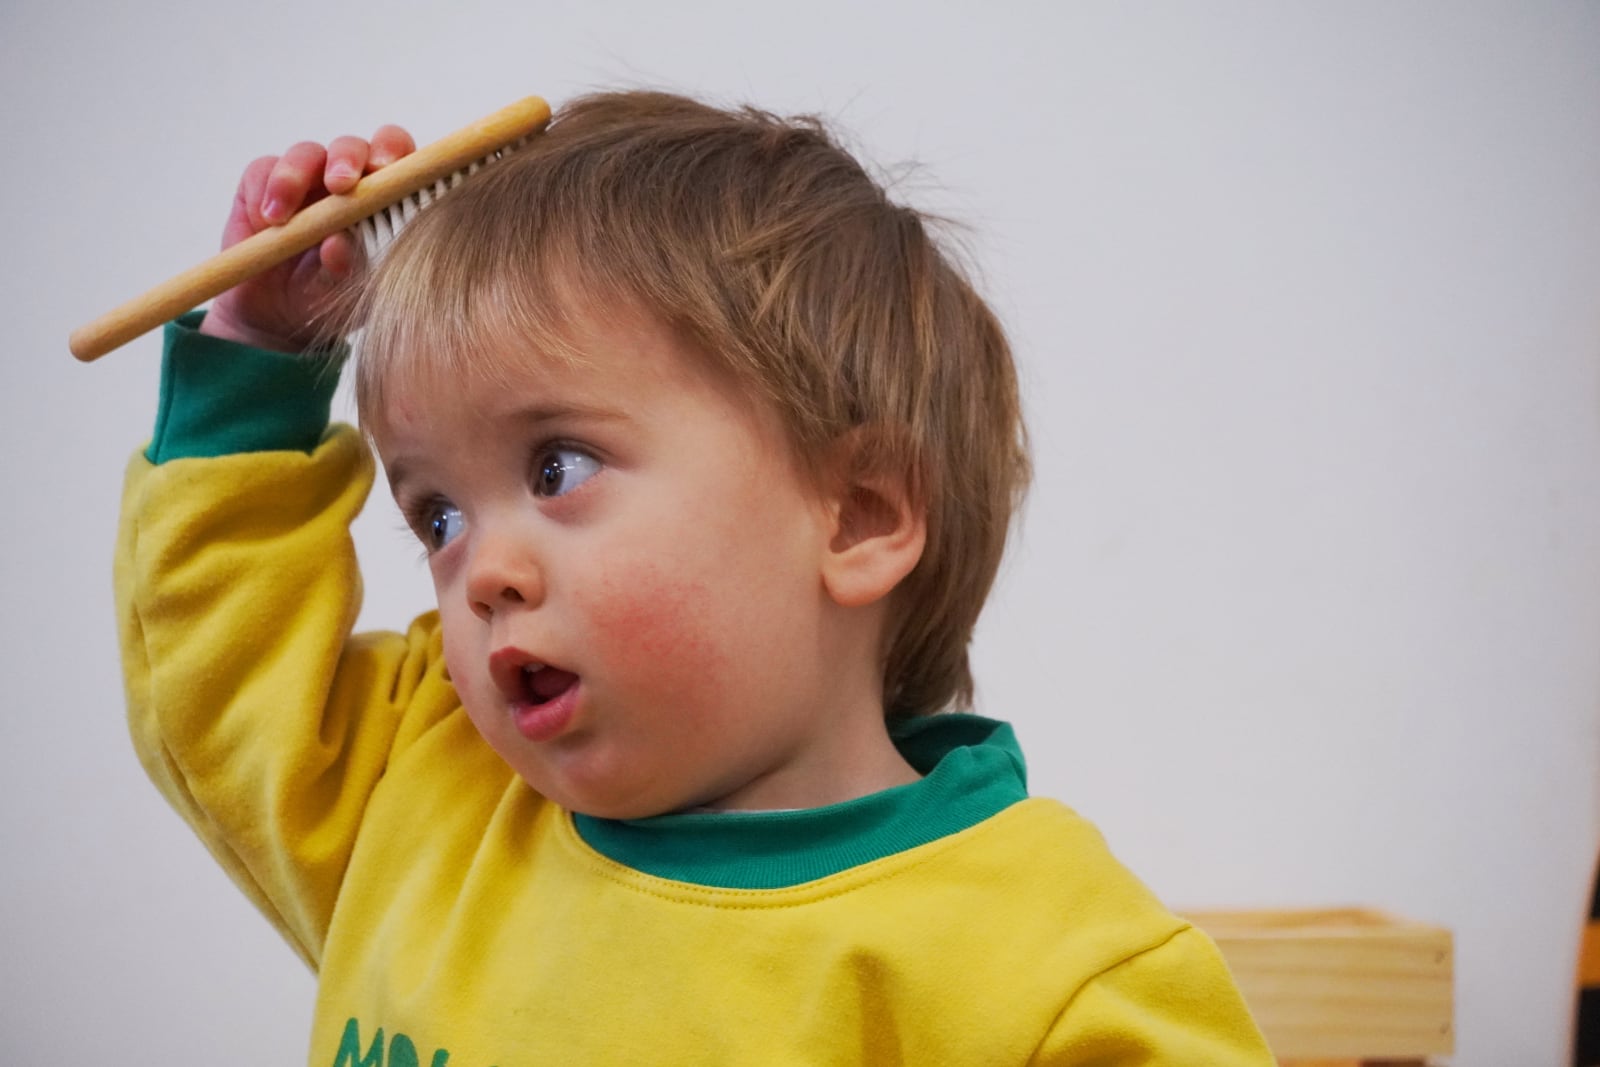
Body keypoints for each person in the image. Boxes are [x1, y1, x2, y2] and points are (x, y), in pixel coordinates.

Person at [115, 90, 1275, 1065]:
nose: (481, 575)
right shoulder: (423, 794)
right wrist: (257, 367)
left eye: (558, 465)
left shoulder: (1041, 973)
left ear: (859, 516)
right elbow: (220, 686)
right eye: (438, 513)